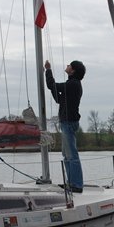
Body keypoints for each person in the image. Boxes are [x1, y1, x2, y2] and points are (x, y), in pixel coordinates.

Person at [45, 60, 86, 193]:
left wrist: (48, 70)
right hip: (67, 122)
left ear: (73, 70)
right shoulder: (71, 84)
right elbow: (58, 98)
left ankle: (77, 185)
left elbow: (52, 85)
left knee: (71, 155)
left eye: (69, 65)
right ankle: (71, 183)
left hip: (68, 122)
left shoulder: (73, 84)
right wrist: (53, 88)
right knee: (67, 155)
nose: (67, 66)